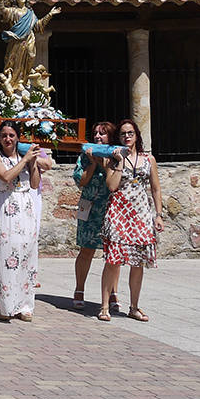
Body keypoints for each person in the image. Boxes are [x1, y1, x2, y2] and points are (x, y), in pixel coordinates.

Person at [99, 119, 163, 322]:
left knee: (138, 262)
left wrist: (158, 215)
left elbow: (155, 188)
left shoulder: (148, 159)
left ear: (137, 136)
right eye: (123, 134)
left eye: (130, 133)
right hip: (118, 212)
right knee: (113, 260)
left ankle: (134, 306)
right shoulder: (113, 158)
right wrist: (119, 163)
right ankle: (104, 306)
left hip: (141, 214)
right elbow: (111, 186)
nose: (127, 136)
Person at [0, 121, 42, 321]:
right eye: (4, 135)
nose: (8, 139)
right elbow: (6, 177)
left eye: (11, 135)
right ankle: (2, 303)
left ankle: (24, 304)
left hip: (25, 206)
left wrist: (33, 164)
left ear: (17, 137)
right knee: (6, 255)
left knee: (25, 254)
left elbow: (34, 184)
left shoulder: (25, 158)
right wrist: (25, 160)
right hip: (7, 206)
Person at [72, 121, 119, 311]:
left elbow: (114, 183)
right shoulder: (85, 155)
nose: (98, 137)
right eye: (96, 134)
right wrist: (92, 164)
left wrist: (104, 163)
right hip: (90, 207)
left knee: (113, 254)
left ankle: (113, 292)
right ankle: (79, 289)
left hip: (110, 208)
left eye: (103, 134)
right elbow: (81, 182)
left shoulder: (116, 155)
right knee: (86, 250)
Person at [0, 0, 60, 92]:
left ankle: (24, 79)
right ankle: (15, 83)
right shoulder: (13, 11)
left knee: (30, 56)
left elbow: (37, 26)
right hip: (16, 41)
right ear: (15, 0)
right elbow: (3, 11)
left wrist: (50, 15)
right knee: (15, 61)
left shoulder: (30, 13)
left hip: (29, 39)